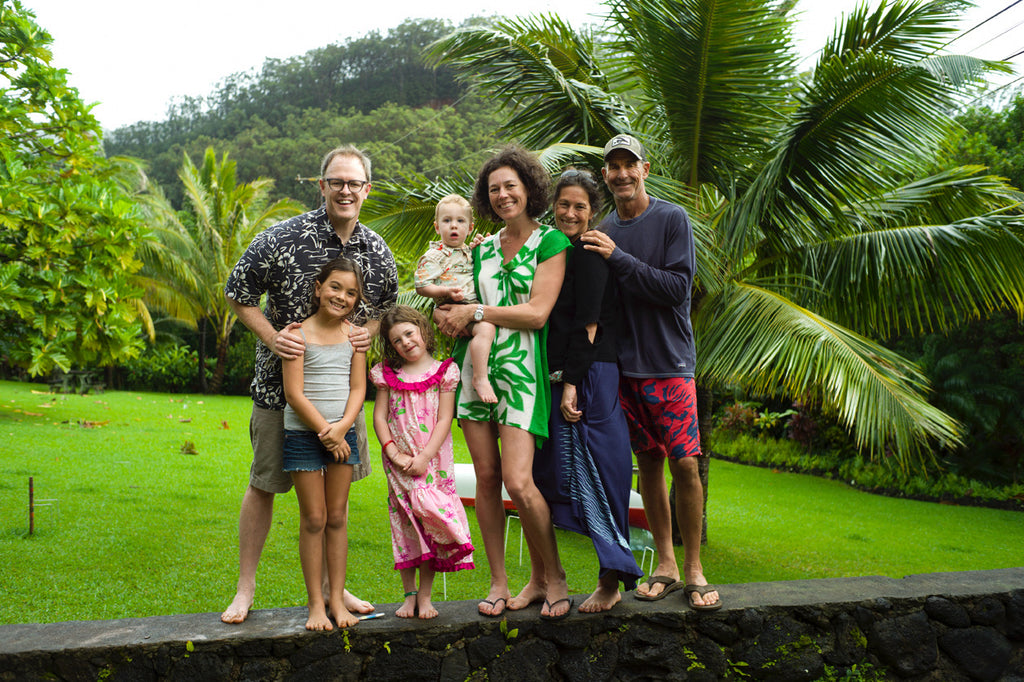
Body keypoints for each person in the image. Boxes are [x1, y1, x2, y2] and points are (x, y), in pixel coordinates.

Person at [222, 144, 398, 624]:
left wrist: (371, 331)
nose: (345, 190)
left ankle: (329, 592)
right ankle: (245, 587)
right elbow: (238, 293)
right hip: (279, 396)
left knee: (329, 508)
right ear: (321, 186)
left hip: (342, 399)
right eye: (336, 181)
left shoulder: (377, 251)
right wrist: (272, 337)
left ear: (367, 190)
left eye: (354, 183)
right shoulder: (283, 237)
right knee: (264, 484)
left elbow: (383, 308)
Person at [581, 134, 722, 611]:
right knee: (651, 465)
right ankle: (665, 563)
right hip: (624, 369)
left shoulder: (670, 219)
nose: (621, 173)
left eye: (629, 164)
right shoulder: (601, 230)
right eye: (612, 167)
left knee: (685, 461)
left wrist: (615, 257)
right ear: (605, 175)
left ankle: (695, 568)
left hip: (669, 363)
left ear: (645, 168)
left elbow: (675, 288)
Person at [434, 145, 571, 619]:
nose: (502, 194)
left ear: (529, 188)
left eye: (510, 185)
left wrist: (473, 312)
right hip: (475, 374)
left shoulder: (551, 243)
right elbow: (456, 300)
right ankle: (498, 581)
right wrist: (446, 311)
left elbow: (536, 315)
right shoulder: (480, 248)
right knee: (486, 480)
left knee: (518, 479)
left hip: (523, 375)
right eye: (493, 189)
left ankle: (551, 577)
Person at [530, 169, 643, 614]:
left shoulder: (590, 253)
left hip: (591, 373)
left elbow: (590, 325)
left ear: (592, 211)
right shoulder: (554, 249)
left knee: (601, 470)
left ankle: (611, 579)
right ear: (552, 206)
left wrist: (573, 382)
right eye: (564, 204)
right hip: (566, 374)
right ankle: (550, 578)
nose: (571, 213)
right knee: (563, 472)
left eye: (580, 206)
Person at [370, 305, 475, 620]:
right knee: (406, 525)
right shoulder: (388, 374)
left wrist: (425, 457)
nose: (405, 342)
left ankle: (426, 596)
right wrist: (393, 453)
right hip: (399, 464)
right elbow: (379, 417)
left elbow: (445, 418)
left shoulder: (444, 372)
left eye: (409, 333)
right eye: (397, 340)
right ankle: (410, 595)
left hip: (432, 463)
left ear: (422, 331)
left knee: (430, 523)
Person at [282, 258, 367, 630]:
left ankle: (337, 600)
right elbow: (294, 394)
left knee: (337, 517)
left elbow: (359, 389)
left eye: (351, 293)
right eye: (335, 287)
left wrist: (342, 428)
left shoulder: (355, 337)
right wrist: (326, 432)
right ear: (318, 287)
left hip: (342, 433)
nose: (341, 297)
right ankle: (315, 604)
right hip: (304, 433)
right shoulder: (296, 334)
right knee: (314, 518)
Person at [415, 194, 498, 403]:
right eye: (447, 221)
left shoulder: (467, 253)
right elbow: (422, 286)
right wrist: (445, 292)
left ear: (470, 228)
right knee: (486, 329)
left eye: (460, 221)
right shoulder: (435, 255)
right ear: (436, 227)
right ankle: (480, 378)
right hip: (453, 306)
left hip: (467, 306)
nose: (454, 226)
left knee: (485, 330)